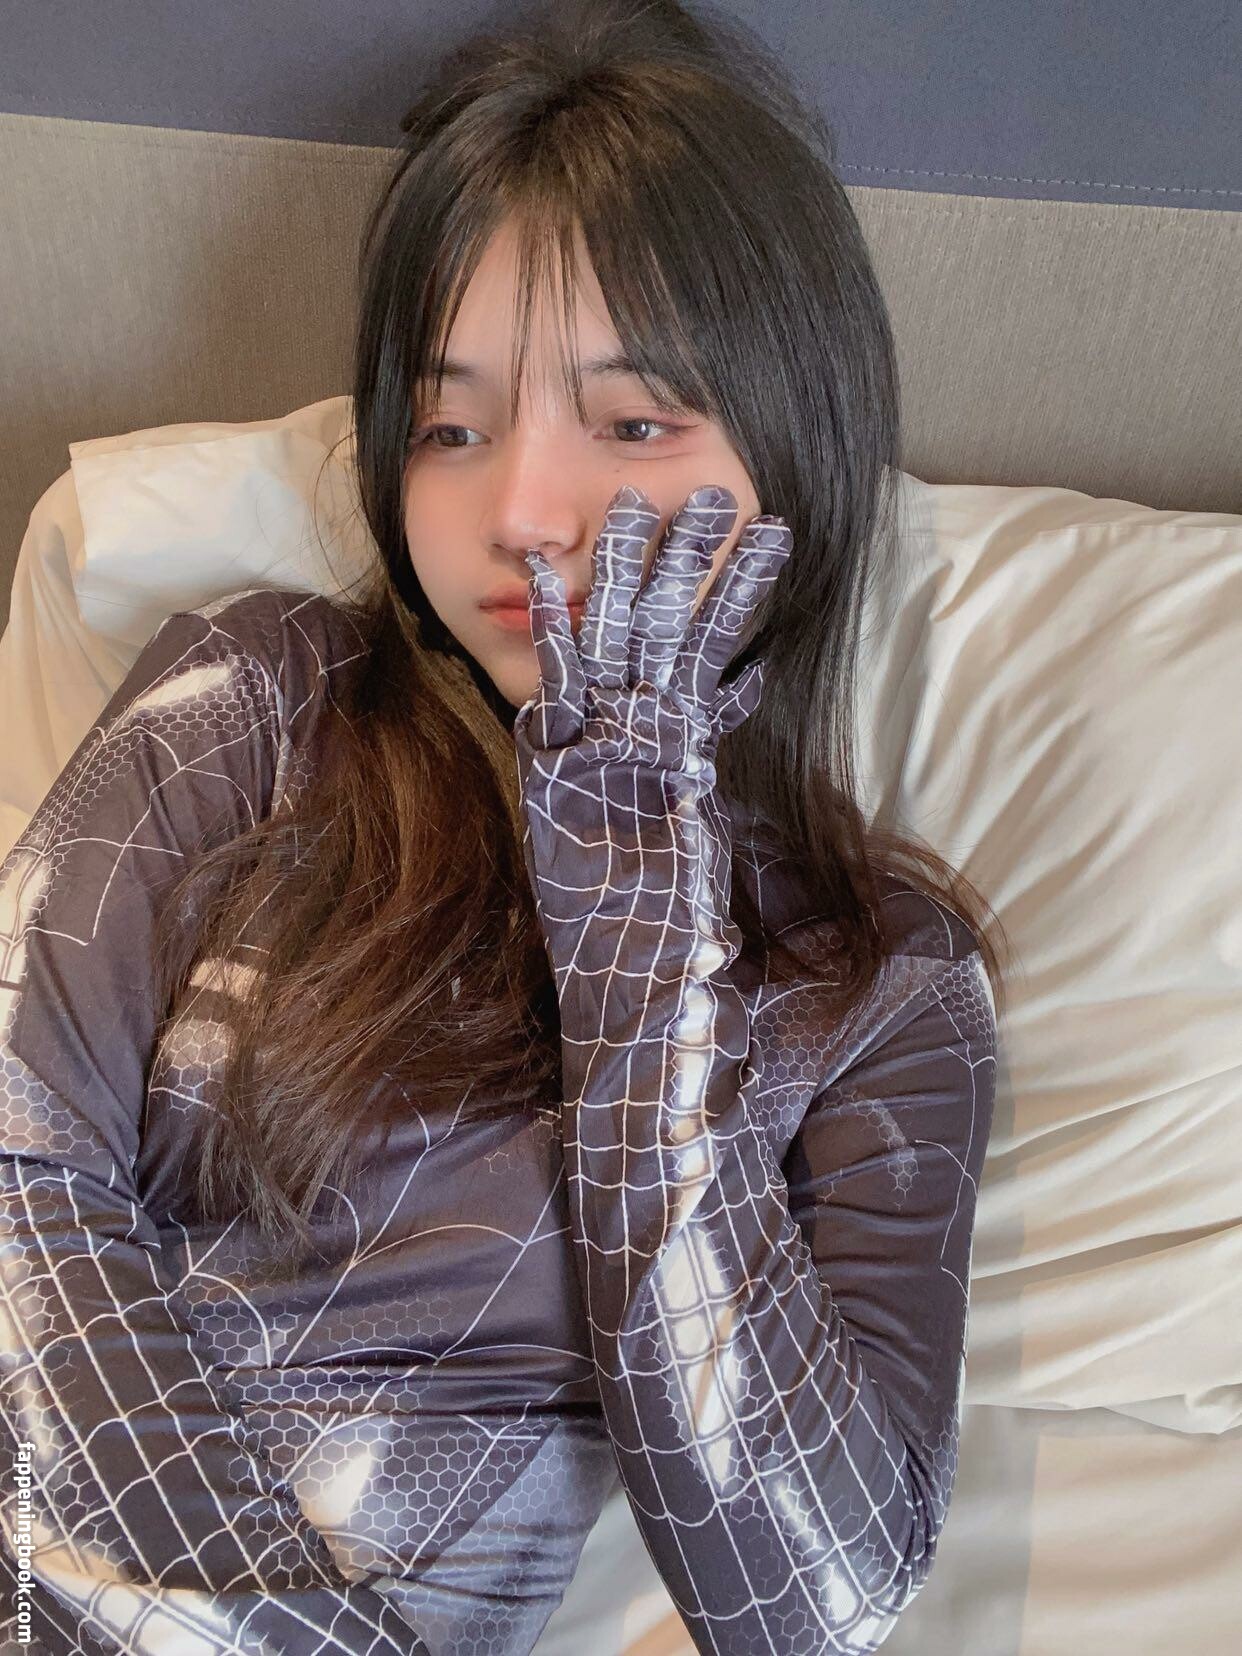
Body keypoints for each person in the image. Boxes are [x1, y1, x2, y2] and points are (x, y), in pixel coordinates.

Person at [0, 1, 1010, 1651]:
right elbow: (18, 1168)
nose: (522, 513)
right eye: (449, 428)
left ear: (796, 450)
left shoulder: (881, 977)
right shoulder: (257, 701)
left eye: (632, 423)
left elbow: (816, 1601)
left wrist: (643, 976)